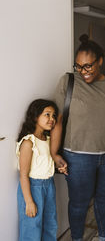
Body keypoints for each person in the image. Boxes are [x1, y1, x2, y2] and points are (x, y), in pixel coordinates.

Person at [50, 35, 105, 241]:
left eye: (88, 66)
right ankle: (77, 238)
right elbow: (58, 120)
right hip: (77, 156)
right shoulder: (68, 82)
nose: (83, 71)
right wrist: (54, 153)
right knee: (79, 203)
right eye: (79, 66)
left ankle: (104, 237)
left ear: (100, 62)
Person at [16, 99, 59, 241]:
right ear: (35, 116)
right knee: (32, 226)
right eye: (47, 114)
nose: (51, 119)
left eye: (54, 116)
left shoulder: (48, 140)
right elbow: (23, 175)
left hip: (49, 186)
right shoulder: (29, 142)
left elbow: (46, 163)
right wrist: (29, 201)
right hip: (33, 188)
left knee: (50, 224)